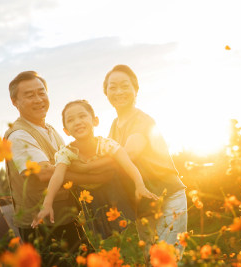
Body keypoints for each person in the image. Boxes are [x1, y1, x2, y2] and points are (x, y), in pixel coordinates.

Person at [4, 71, 113, 266]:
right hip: (41, 227)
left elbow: (68, 162)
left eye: (41, 92)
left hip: (64, 219)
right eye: (30, 95)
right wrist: (95, 175)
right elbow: (44, 172)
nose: (38, 99)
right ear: (15, 101)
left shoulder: (51, 130)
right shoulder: (18, 136)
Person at [31, 100, 158, 237]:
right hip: (90, 198)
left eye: (82, 116)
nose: (78, 122)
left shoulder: (107, 144)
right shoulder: (66, 152)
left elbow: (128, 164)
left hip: (115, 191)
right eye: (71, 120)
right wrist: (47, 203)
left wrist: (140, 185)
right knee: (102, 235)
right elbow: (57, 176)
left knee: (127, 227)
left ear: (95, 121)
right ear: (66, 131)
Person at [103, 64, 188, 259]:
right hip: (145, 203)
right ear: (106, 93)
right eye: (112, 87)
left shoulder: (142, 120)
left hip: (167, 197)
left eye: (125, 85)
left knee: (167, 259)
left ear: (135, 89)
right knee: (150, 258)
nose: (119, 91)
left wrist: (83, 169)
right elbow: (107, 155)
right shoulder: (114, 125)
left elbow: (128, 153)